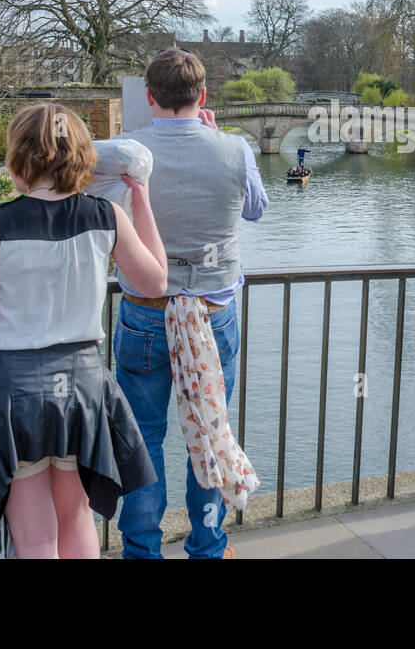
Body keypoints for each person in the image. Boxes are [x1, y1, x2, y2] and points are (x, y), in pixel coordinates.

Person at [0, 104, 169, 558]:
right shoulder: (107, 215)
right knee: (76, 518)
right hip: (82, 386)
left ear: (20, 158)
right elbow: (155, 282)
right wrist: (143, 199)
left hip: (13, 391)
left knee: (35, 536)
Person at [113, 48, 269, 559]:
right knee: (209, 429)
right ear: (203, 96)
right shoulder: (235, 149)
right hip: (212, 313)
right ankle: (207, 547)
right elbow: (255, 209)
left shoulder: (125, 150)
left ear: (149, 97)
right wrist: (219, 140)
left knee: (142, 439)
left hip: (145, 311)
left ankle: (141, 551)